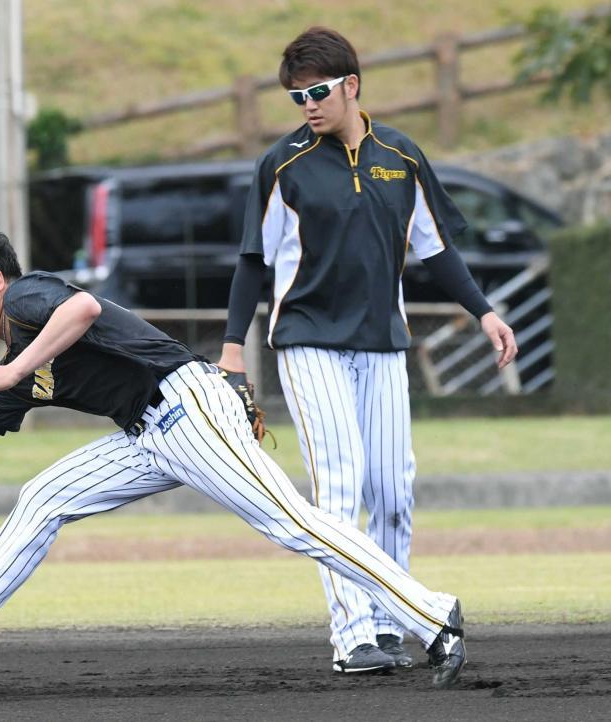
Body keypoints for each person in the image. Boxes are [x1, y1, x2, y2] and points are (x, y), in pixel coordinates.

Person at [0, 225, 466, 688]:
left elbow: (83, 310)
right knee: (44, 496)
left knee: (293, 524)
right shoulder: (12, 370)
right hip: (148, 434)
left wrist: (13, 367)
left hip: (187, 406)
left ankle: (433, 615)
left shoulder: (26, 298)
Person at [216, 27, 517, 675]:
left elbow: (437, 253)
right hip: (308, 342)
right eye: (296, 96)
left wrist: (485, 312)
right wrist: (231, 349)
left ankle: (388, 624)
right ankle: (351, 634)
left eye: (318, 91)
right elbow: (252, 263)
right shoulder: (283, 164)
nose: (308, 105)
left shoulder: (400, 157)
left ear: (352, 85)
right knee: (341, 481)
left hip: (383, 343)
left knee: (392, 488)